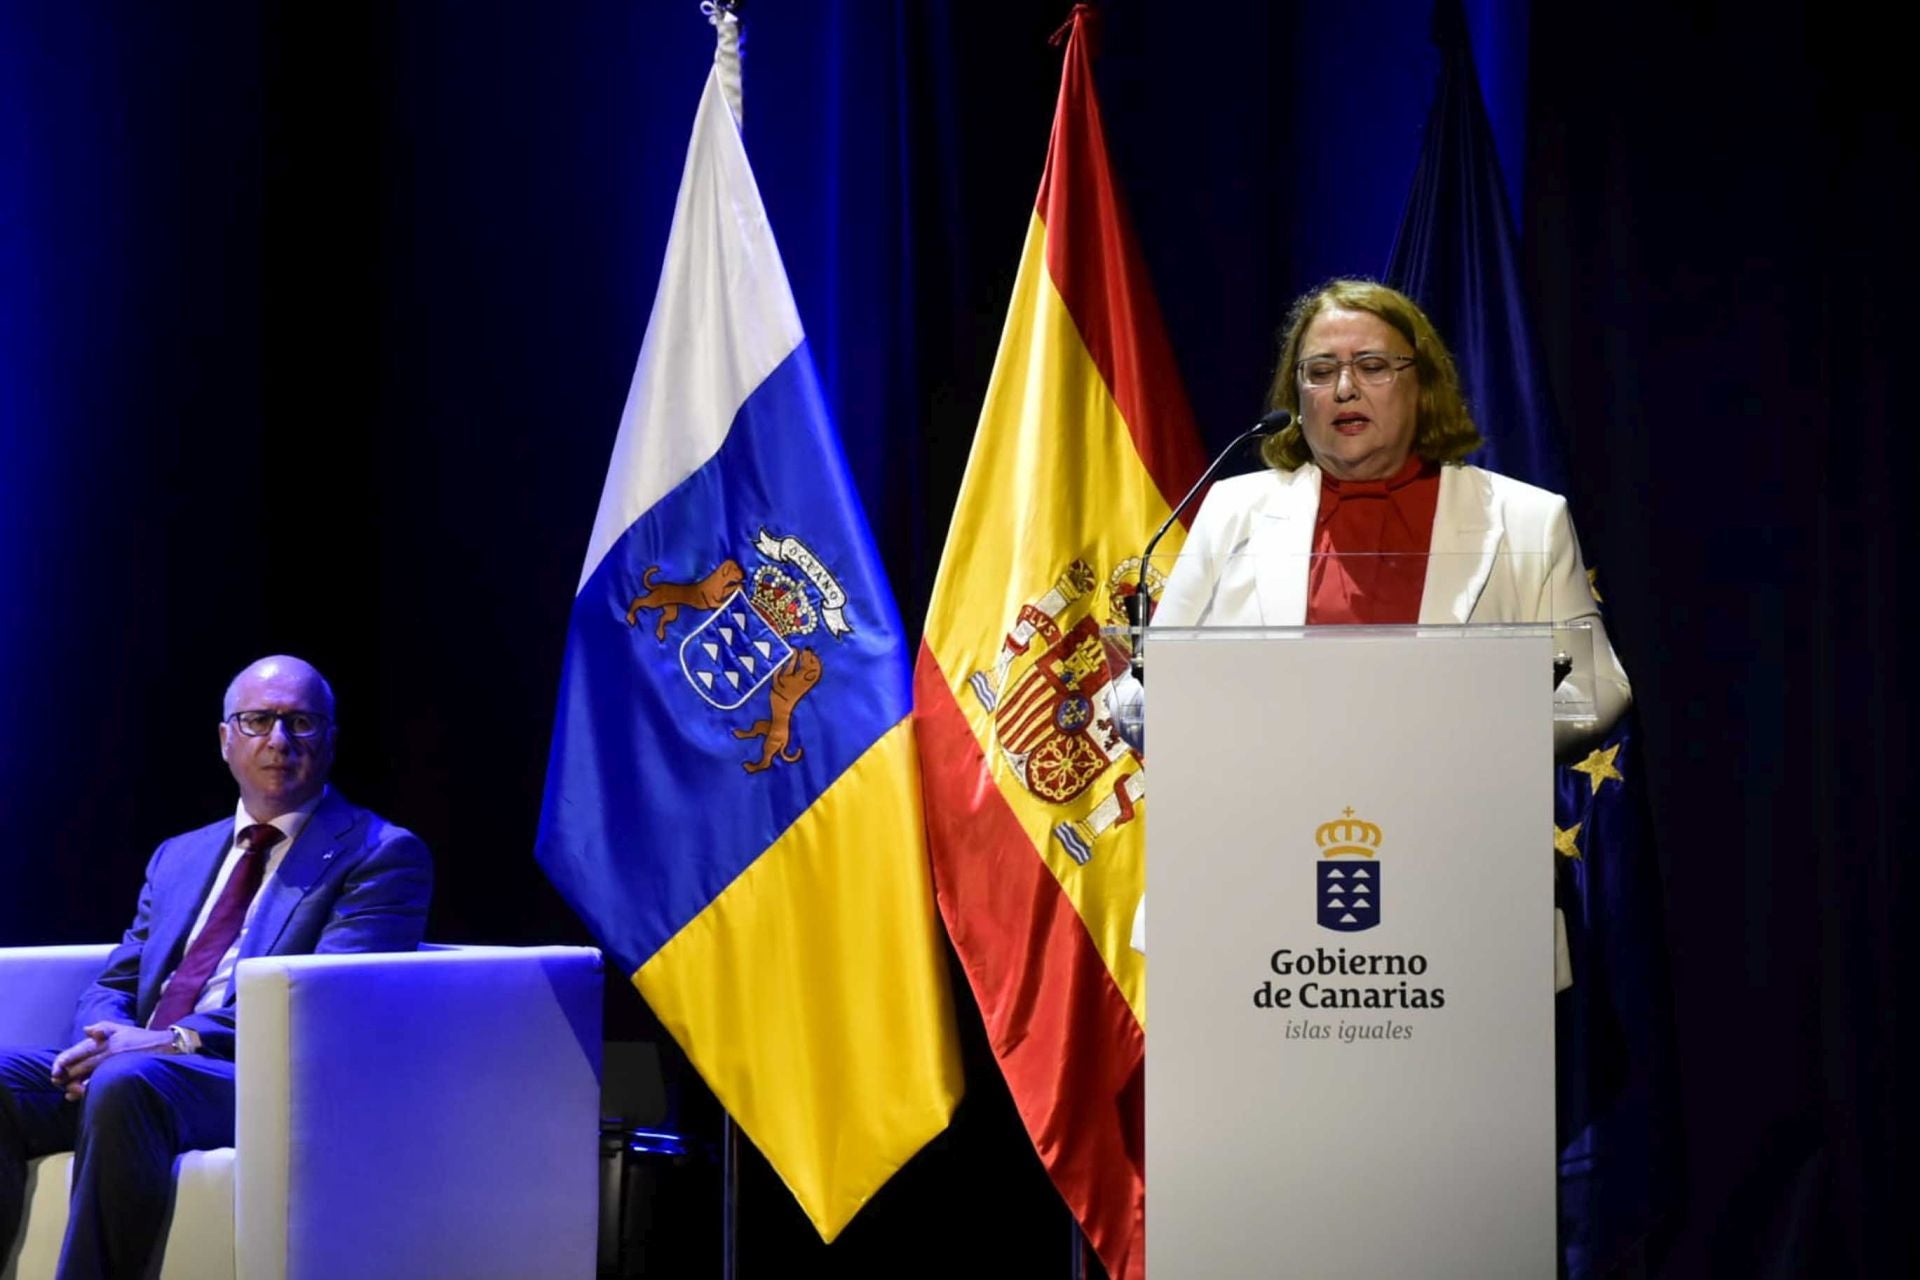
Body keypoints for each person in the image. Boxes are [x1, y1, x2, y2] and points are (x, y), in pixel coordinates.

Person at [0, 655, 432, 1279]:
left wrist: (165, 1042)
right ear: (226, 739)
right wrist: (101, 1040)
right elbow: (116, 980)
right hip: (137, 1063)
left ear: (331, 740)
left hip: (253, 1077)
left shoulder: (382, 855)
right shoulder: (181, 855)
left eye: (301, 723)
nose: (278, 740)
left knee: (130, 1084)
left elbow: (323, 1002)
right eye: (258, 720)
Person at [1153, 278, 1631, 749]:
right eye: (1319, 371)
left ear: (1421, 385)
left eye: (1372, 366)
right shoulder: (1232, 510)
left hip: (1452, 809)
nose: (1344, 389)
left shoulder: (1527, 519)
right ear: (1296, 396)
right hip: (1265, 805)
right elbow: (1145, 685)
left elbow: (1596, 688)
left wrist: (1481, 739)